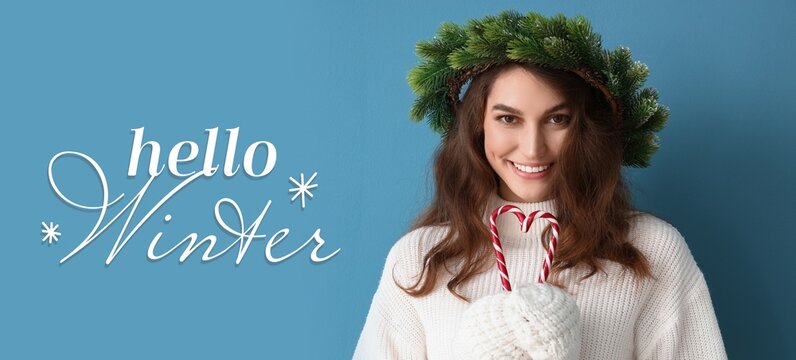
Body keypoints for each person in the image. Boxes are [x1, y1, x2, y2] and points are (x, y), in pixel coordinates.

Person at [354, 11, 727, 359]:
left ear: (585, 130)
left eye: (557, 119)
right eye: (508, 118)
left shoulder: (648, 251)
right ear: (478, 126)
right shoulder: (420, 259)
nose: (533, 148)